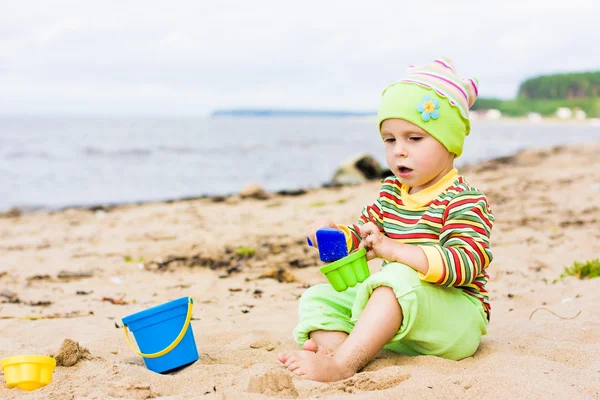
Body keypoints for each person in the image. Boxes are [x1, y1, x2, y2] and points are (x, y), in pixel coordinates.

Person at [277, 58, 494, 382]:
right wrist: (331, 233)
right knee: (318, 299)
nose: (399, 151)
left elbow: (464, 263)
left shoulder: (464, 200)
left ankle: (341, 366)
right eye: (390, 140)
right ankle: (339, 350)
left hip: (454, 320)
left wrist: (395, 252)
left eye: (414, 138)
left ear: (449, 143)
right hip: (400, 319)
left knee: (396, 281)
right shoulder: (392, 194)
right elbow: (364, 238)